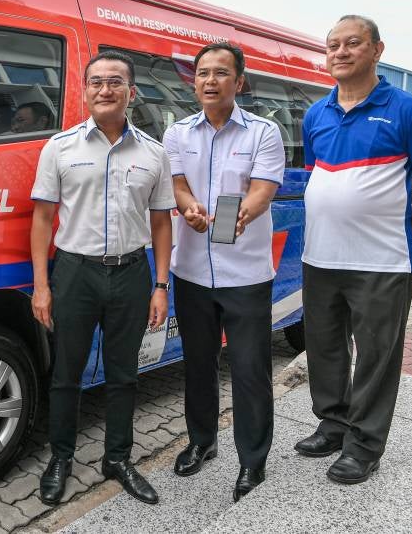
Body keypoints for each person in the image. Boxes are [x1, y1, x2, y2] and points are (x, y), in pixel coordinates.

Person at [294, 15, 412, 484]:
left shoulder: (409, 110)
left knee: (377, 356)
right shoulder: (316, 114)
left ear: (377, 50)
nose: (340, 52)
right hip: (320, 257)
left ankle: (363, 445)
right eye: (333, 45)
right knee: (324, 348)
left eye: (352, 43)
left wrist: (411, 230)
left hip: (381, 262)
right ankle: (333, 425)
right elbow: (317, 177)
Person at [30, 50, 174, 506]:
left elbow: (161, 222)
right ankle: (61, 458)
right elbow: (42, 219)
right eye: (96, 81)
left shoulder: (154, 153)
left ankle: (118, 458)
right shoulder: (60, 147)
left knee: (124, 374)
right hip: (75, 273)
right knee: (66, 373)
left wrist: (161, 285)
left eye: (115, 82)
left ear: (132, 92)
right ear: (85, 90)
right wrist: (41, 286)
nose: (105, 89)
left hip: (132, 273)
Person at [161, 43, 285, 502]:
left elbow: (263, 189)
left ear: (239, 81)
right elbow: (177, 184)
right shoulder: (177, 133)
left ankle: (252, 460)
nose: (210, 81)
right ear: (193, 81)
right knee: (198, 363)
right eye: (202, 73)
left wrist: (239, 216)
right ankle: (202, 441)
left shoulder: (263, 132)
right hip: (192, 270)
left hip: (246, 274)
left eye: (220, 73)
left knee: (251, 369)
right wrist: (188, 207)